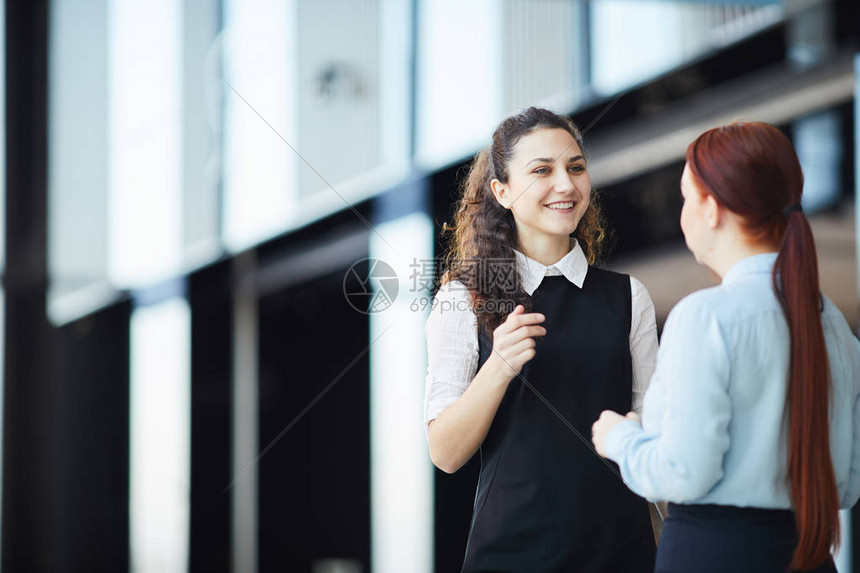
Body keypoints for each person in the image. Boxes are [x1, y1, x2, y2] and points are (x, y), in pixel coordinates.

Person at [591, 121, 860, 573]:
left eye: (685, 198)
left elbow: (685, 472)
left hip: (714, 555)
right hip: (811, 558)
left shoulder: (706, 317)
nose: (684, 215)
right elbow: (847, 485)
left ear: (712, 209)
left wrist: (620, 439)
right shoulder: (836, 328)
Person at [424, 107, 658, 572]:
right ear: (502, 191)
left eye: (575, 168)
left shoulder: (629, 298)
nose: (566, 185)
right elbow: (445, 454)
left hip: (621, 554)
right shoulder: (462, 296)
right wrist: (499, 367)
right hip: (512, 556)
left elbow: (654, 438)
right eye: (541, 171)